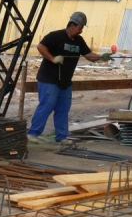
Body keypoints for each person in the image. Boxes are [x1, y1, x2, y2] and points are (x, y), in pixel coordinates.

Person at [27, 11, 110, 146]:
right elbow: (41, 47)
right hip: (49, 79)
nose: (81, 30)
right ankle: (33, 133)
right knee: (47, 105)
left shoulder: (79, 41)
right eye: (80, 27)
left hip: (65, 81)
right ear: (72, 25)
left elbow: (88, 55)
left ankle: (61, 136)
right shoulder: (55, 36)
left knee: (63, 108)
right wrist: (53, 59)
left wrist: (101, 57)